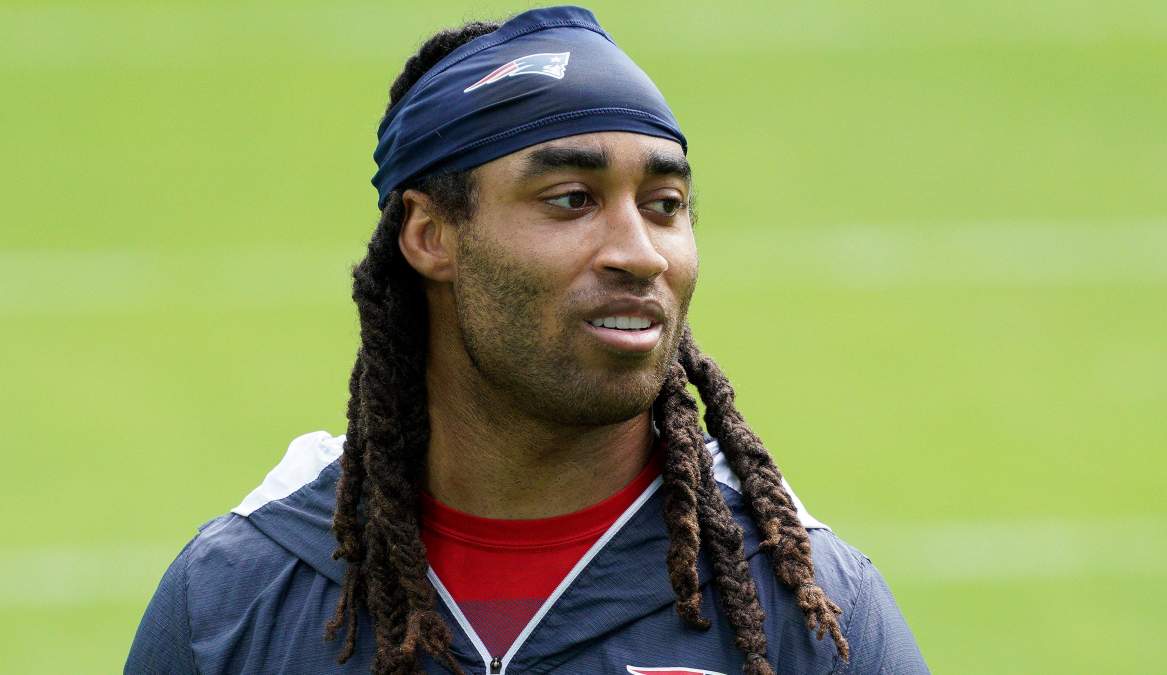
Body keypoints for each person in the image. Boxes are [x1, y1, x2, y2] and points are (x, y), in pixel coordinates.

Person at [126, 6, 927, 674]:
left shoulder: (811, 610)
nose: (640, 253)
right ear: (431, 235)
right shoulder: (237, 597)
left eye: (664, 204)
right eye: (573, 199)